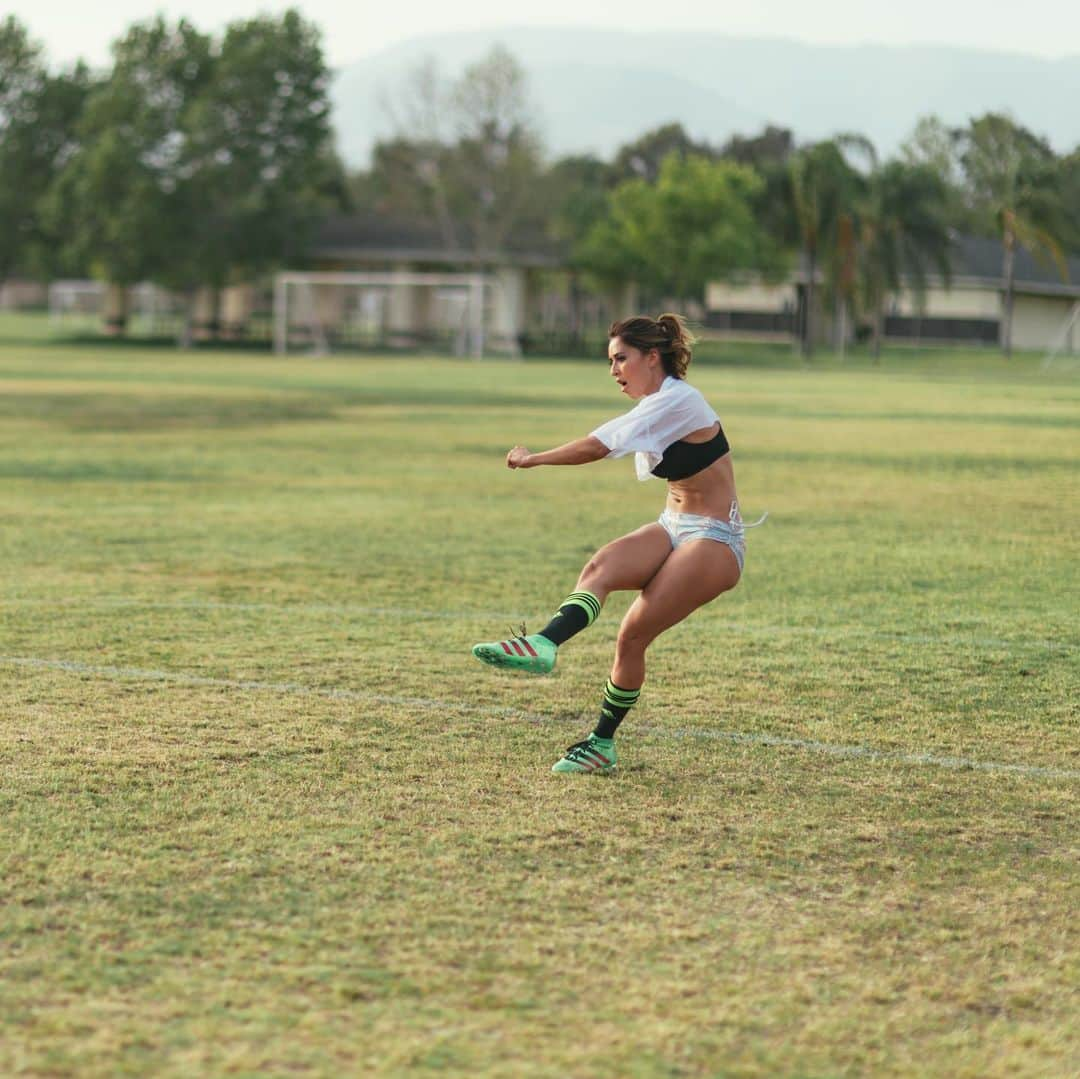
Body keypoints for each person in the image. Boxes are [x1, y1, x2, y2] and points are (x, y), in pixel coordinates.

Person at [471, 314, 764, 774]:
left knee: (632, 633)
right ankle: (544, 645)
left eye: (620, 358)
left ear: (652, 358)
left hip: (715, 539)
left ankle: (601, 742)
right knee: (601, 567)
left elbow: (598, 445)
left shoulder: (679, 400)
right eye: (610, 361)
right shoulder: (657, 403)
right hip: (673, 524)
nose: (613, 371)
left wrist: (534, 459)